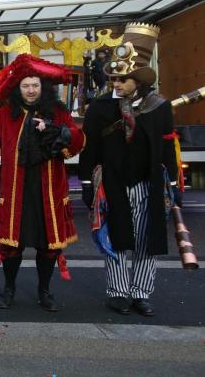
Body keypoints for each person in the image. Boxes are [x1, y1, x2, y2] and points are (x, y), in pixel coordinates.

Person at [0, 54, 85, 312]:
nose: (30, 90)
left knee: (47, 247)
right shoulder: (7, 114)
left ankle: (44, 291)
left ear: (43, 87)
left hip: (47, 190)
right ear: (18, 88)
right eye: (26, 85)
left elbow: (77, 141)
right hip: (15, 189)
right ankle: (9, 288)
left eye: (35, 85)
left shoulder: (59, 112)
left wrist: (56, 132)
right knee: (11, 246)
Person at [79, 23, 179, 317]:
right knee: (116, 237)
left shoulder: (159, 107)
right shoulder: (99, 108)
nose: (117, 84)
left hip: (149, 183)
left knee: (148, 240)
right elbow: (90, 148)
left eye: (123, 80)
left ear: (137, 80)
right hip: (112, 181)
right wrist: (87, 183)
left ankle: (141, 293)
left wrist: (172, 184)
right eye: (114, 79)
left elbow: (167, 145)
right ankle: (118, 292)